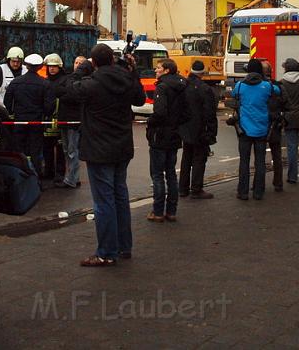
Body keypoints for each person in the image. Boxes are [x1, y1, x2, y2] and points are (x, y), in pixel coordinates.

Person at [57, 43, 145, 266]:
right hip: (122, 147)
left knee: (104, 201)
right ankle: (124, 246)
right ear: (113, 61)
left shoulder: (92, 84)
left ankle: (106, 252)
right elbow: (140, 99)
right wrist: (134, 71)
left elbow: (64, 88)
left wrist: (80, 69)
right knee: (120, 197)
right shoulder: (126, 79)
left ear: (94, 62)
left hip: (98, 149)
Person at [146, 58, 187, 221]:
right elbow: (187, 112)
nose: (156, 71)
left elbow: (160, 112)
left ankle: (157, 211)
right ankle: (171, 211)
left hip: (160, 135)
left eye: (158, 68)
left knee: (157, 175)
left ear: (166, 70)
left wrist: (151, 122)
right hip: (175, 135)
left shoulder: (162, 87)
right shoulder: (182, 86)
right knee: (171, 173)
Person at [4, 53, 54, 179]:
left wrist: (12, 113)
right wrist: (44, 115)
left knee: (18, 151)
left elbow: (7, 102)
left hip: (19, 122)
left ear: (26, 65)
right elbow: (49, 107)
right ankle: (36, 179)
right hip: (36, 123)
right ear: (39, 67)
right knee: (35, 152)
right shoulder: (45, 84)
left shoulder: (16, 82)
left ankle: (18, 177)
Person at [232, 58, 277, 200]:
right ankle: (258, 191)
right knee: (260, 161)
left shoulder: (240, 86)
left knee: (244, 161)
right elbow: (278, 90)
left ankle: (243, 191)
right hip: (262, 128)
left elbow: (233, 95)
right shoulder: (267, 86)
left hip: (244, 129)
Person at [178, 60, 218, 199]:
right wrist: (211, 132)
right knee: (199, 159)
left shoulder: (183, 86)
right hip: (200, 129)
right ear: (202, 72)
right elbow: (209, 113)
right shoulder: (205, 89)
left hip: (185, 128)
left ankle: (182, 188)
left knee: (186, 158)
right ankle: (196, 188)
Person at [57, 56, 89, 188]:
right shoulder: (68, 78)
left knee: (72, 151)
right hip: (64, 119)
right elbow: (58, 91)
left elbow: (75, 97)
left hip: (75, 121)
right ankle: (71, 177)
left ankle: (72, 179)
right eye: (76, 62)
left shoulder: (85, 81)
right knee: (66, 150)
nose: (77, 65)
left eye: (80, 63)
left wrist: (67, 95)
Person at [260, 60, 285, 192]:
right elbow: (284, 102)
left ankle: (259, 183)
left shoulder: (260, 86)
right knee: (276, 154)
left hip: (263, 124)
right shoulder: (277, 86)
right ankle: (278, 182)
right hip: (275, 123)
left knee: (260, 155)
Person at [42, 53, 67, 185]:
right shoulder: (45, 82)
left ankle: (60, 173)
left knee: (61, 150)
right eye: (50, 66)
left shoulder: (64, 81)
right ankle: (48, 171)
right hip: (47, 120)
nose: (51, 69)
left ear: (59, 67)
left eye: (54, 67)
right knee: (47, 148)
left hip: (60, 120)